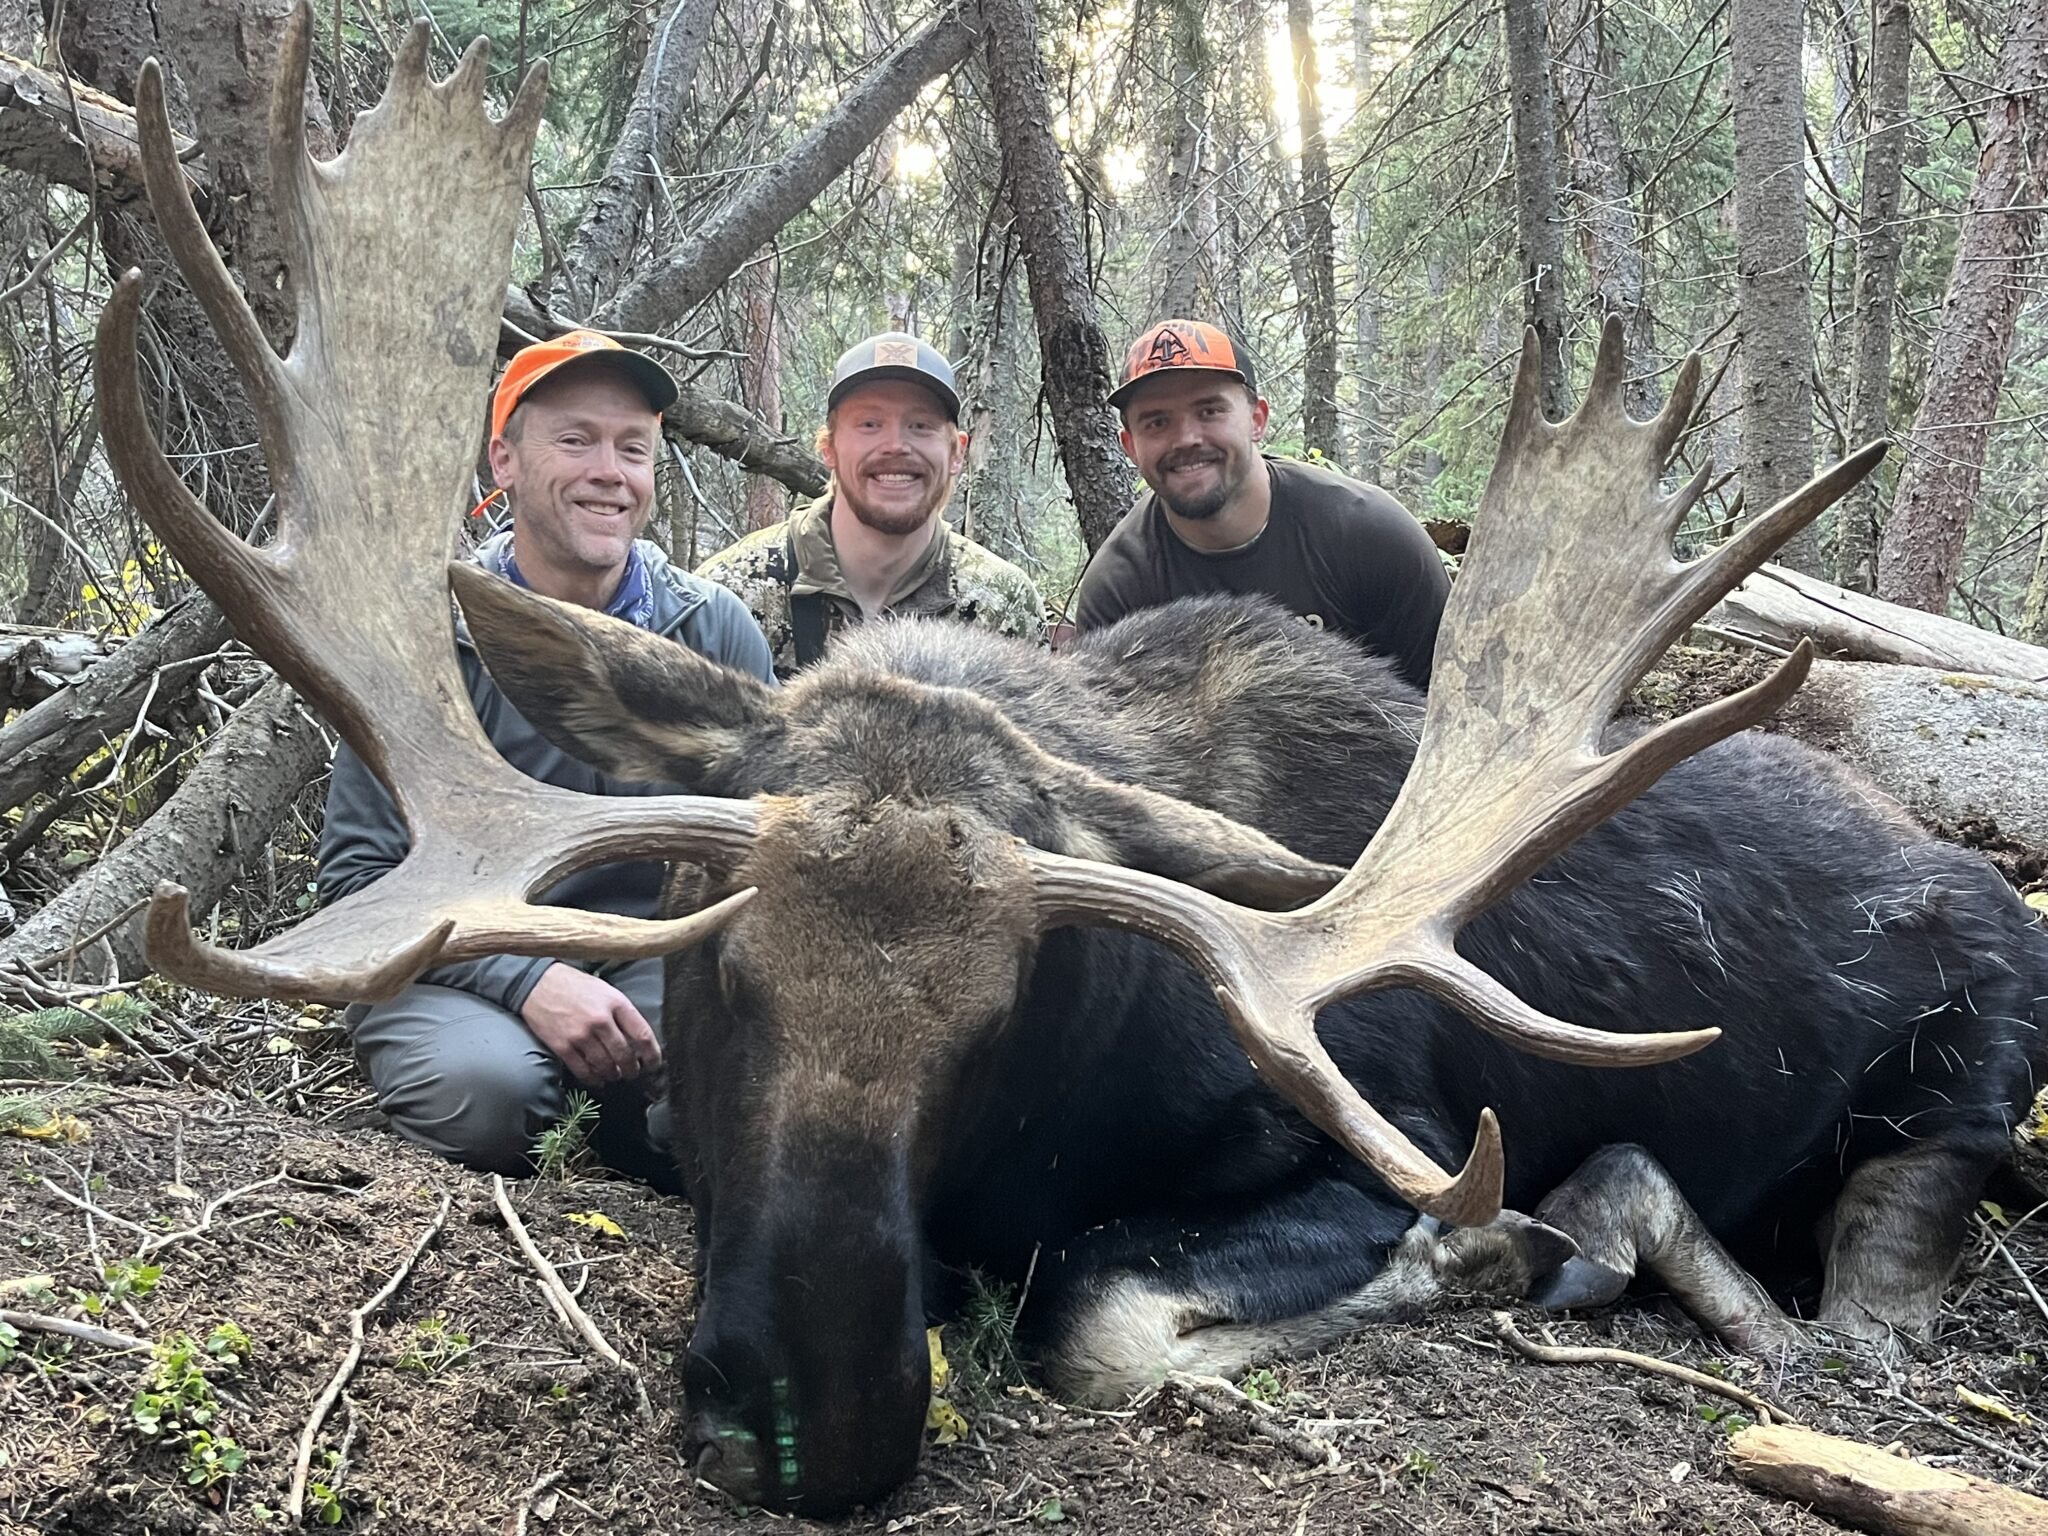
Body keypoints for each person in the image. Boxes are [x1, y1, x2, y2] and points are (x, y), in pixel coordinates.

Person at [318, 330, 775, 1178]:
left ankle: (632, 1117)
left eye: (632, 448)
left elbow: (765, 858)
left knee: (726, 1109)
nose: (609, 472)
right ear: (505, 460)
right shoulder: (425, 643)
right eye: (575, 440)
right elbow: (357, 878)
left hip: (655, 958)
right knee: (485, 1099)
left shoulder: (713, 632)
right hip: (458, 963)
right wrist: (527, 983)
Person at [1074, 319, 1449, 692]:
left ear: (1257, 419)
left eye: (1209, 411)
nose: (1186, 438)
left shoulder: (1369, 535)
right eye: (1157, 422)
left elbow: (1449, 696)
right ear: (1130, 446)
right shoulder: (1119, 591)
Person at [696, 332, 1047, 677]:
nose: (895, 445)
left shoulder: (1001, 606)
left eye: (920, 425)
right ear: (829, 448)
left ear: (957, 452)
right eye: (869, 424)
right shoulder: (731, 594)